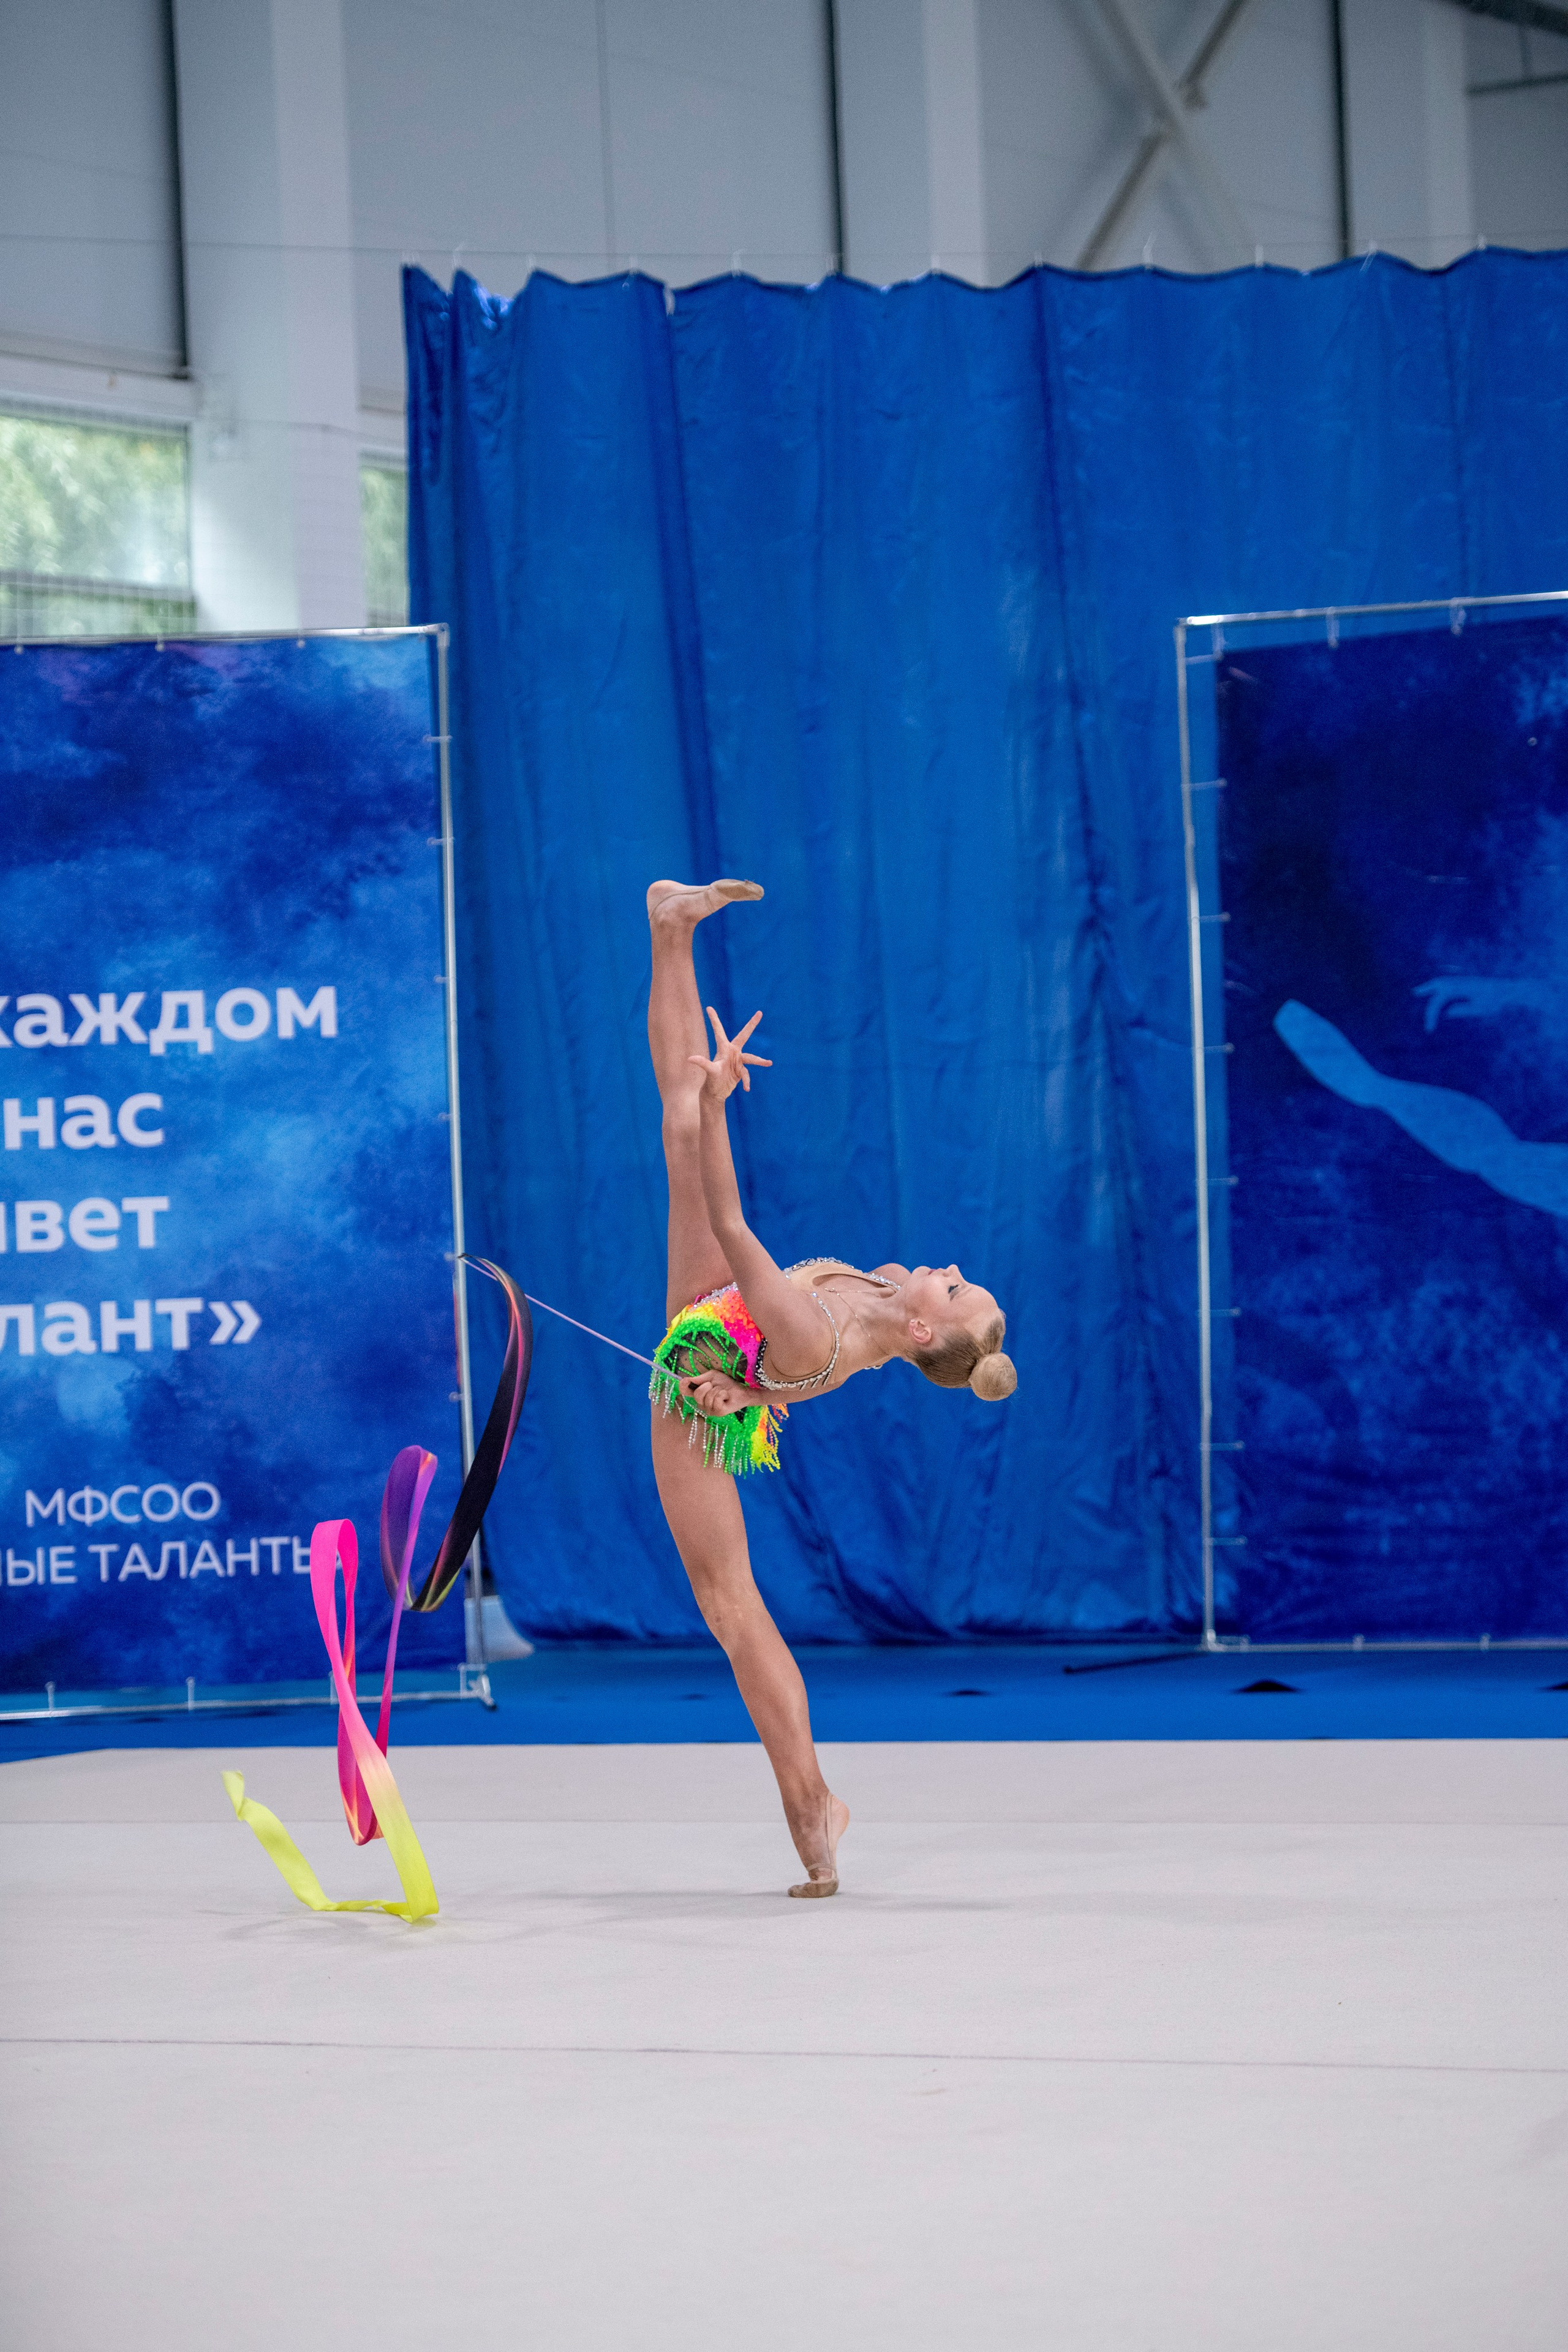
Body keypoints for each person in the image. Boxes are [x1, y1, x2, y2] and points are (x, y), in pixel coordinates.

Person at [644, 878, 1016, 1898]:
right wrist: (705, 1106)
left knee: (730, 1605)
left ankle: (811, 1802)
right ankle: (670, 928)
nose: (947, 1266)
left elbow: (735, 1229)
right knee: (679, 1119)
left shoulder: (821, 1335)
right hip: (723, 1336)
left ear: (926, 1329)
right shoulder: (879, 1293)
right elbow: (791, 1339)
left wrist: (719, 1108)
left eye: (954, 1286)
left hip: (695, 1383)